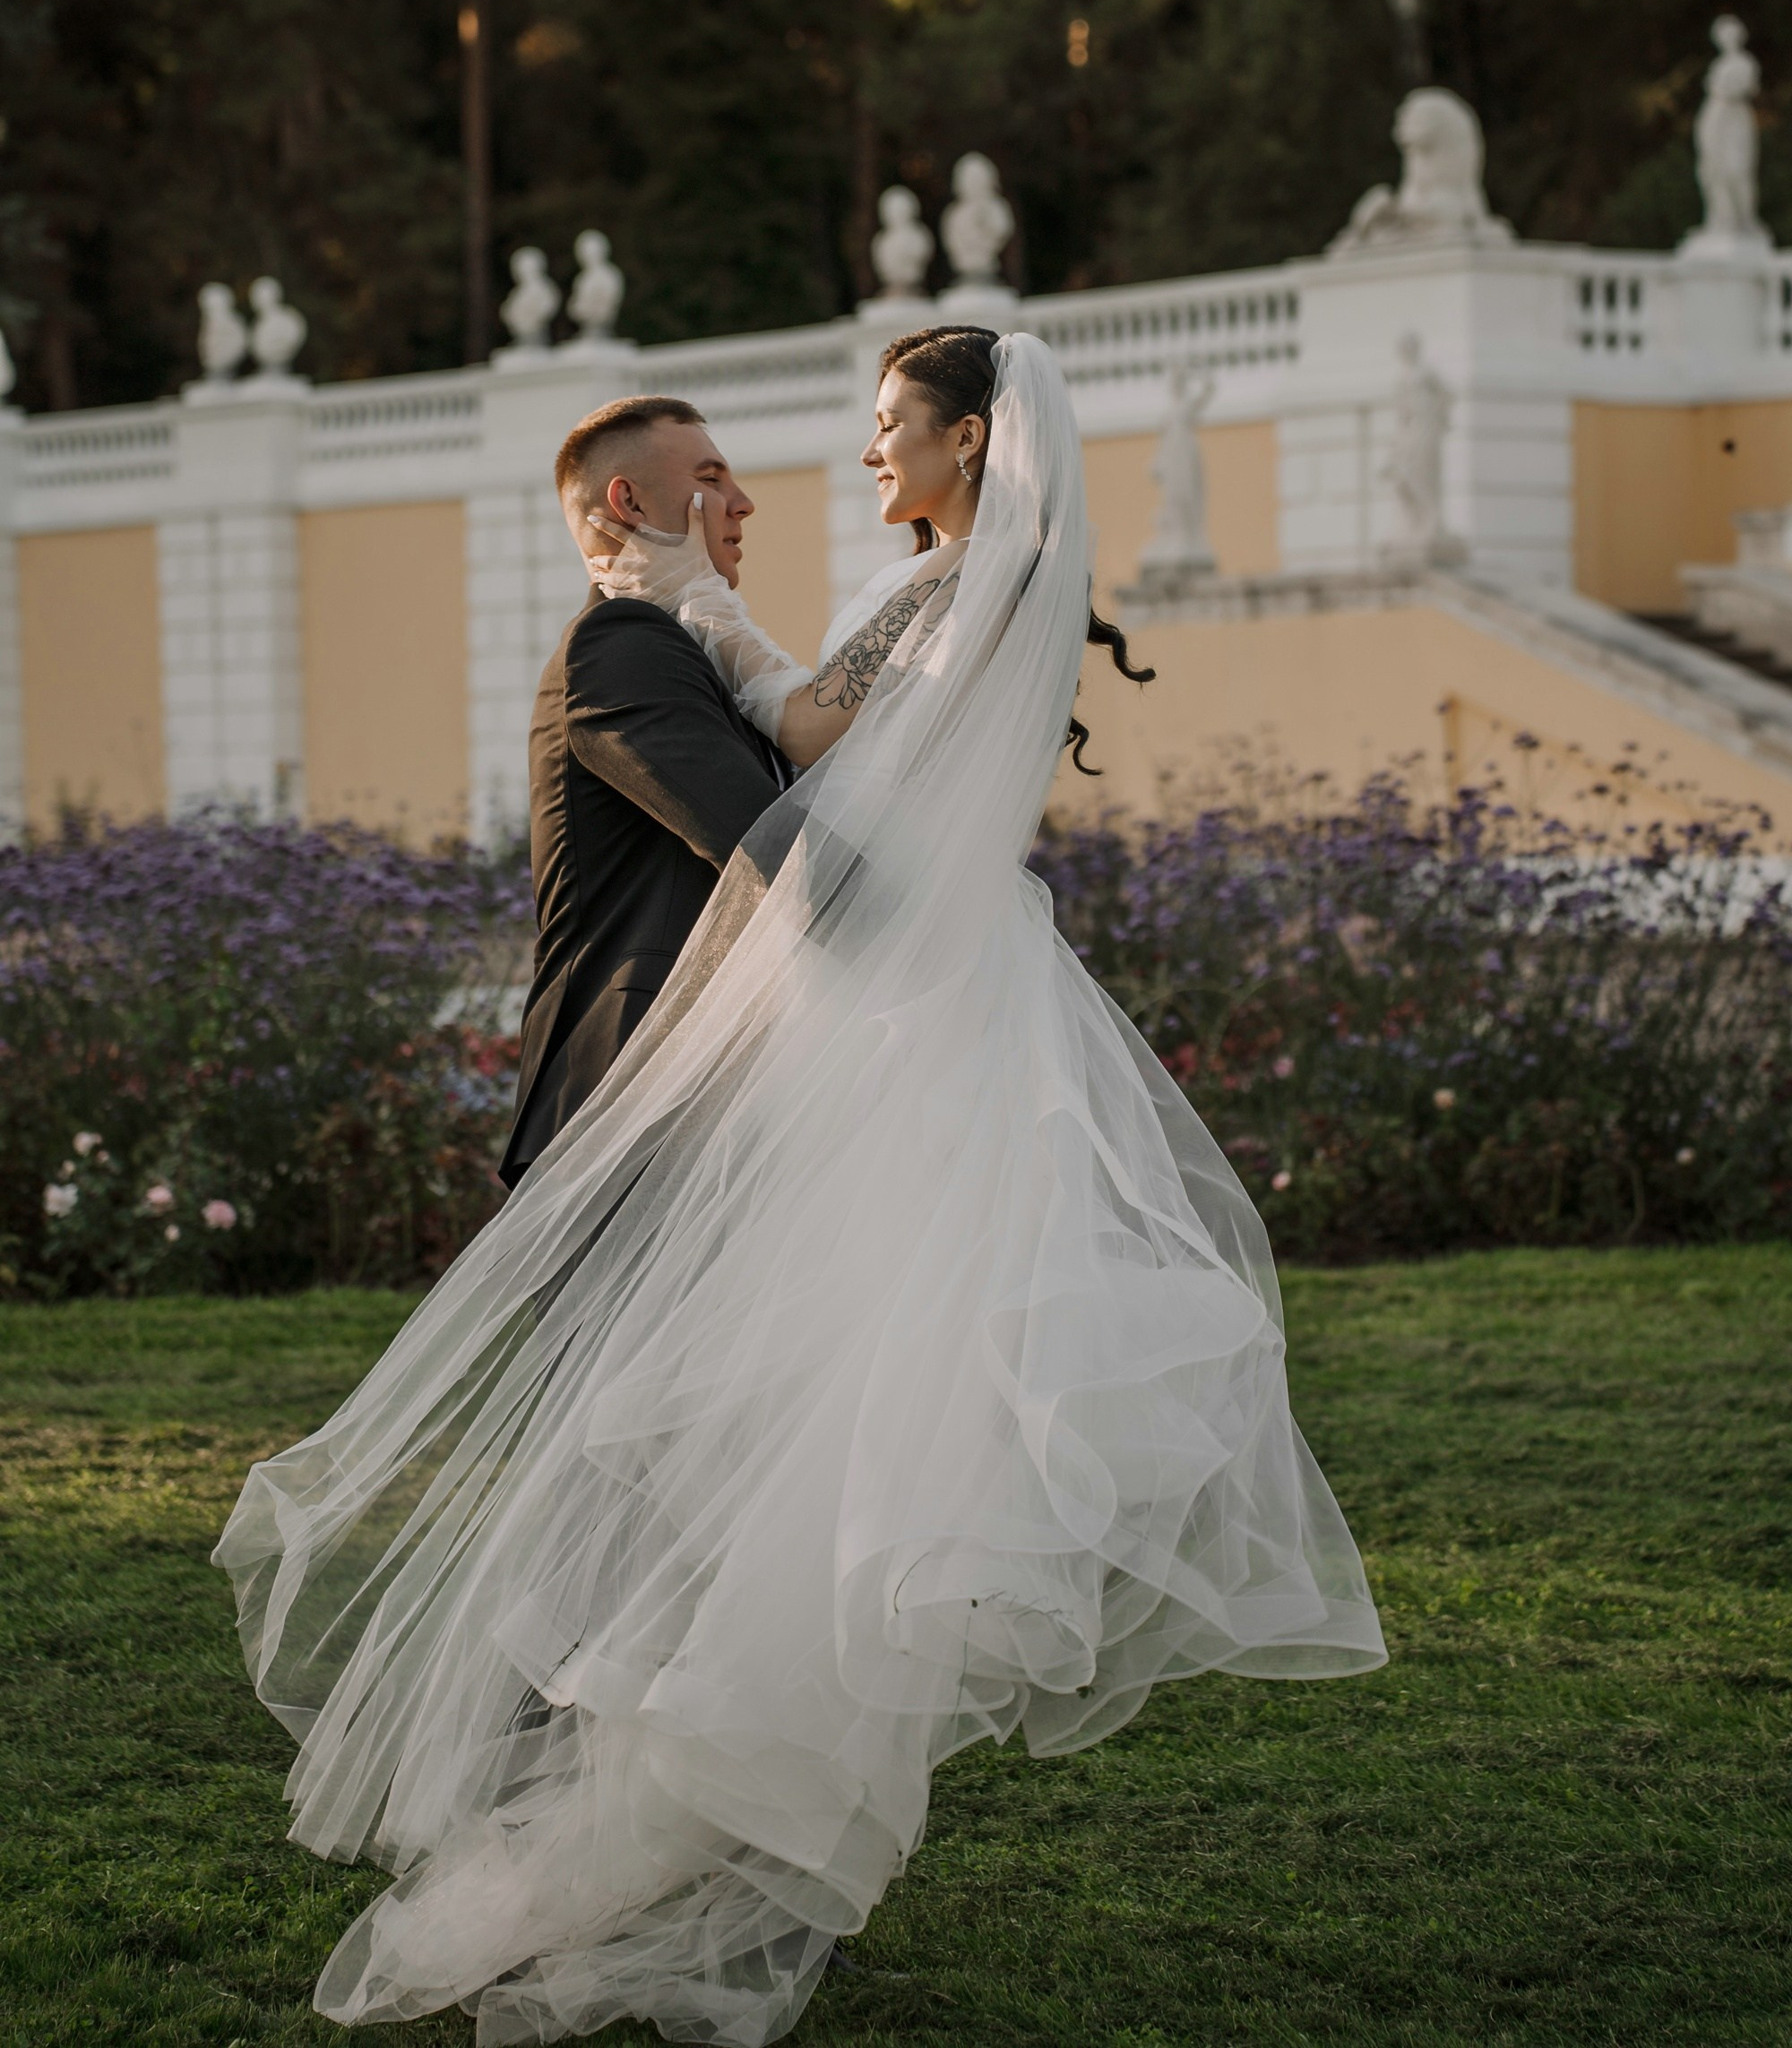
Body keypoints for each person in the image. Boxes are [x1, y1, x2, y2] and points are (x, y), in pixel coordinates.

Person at [215, 325, 1386, 2048]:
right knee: (694, 1453)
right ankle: (593, 1768)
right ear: (632, 500)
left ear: (971, 445)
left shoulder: (929, 595)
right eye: (714, 478)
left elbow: (804, 758)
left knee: (697, 1462)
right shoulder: (651, 635)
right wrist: (699, 619)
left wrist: (726, 639)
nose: (823, 473)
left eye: (882, 429)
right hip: (735, 1067)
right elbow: (786, 788)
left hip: (826, 1051)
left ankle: (600, 1790)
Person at [501, 397, 788, 1190]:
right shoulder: (619, 641)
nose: (743, 501)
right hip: (630, 1084)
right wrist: (945, 924)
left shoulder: (684, 648)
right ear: (626, 502)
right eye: (710, 476)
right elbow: (768, 849)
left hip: (695, 1084)